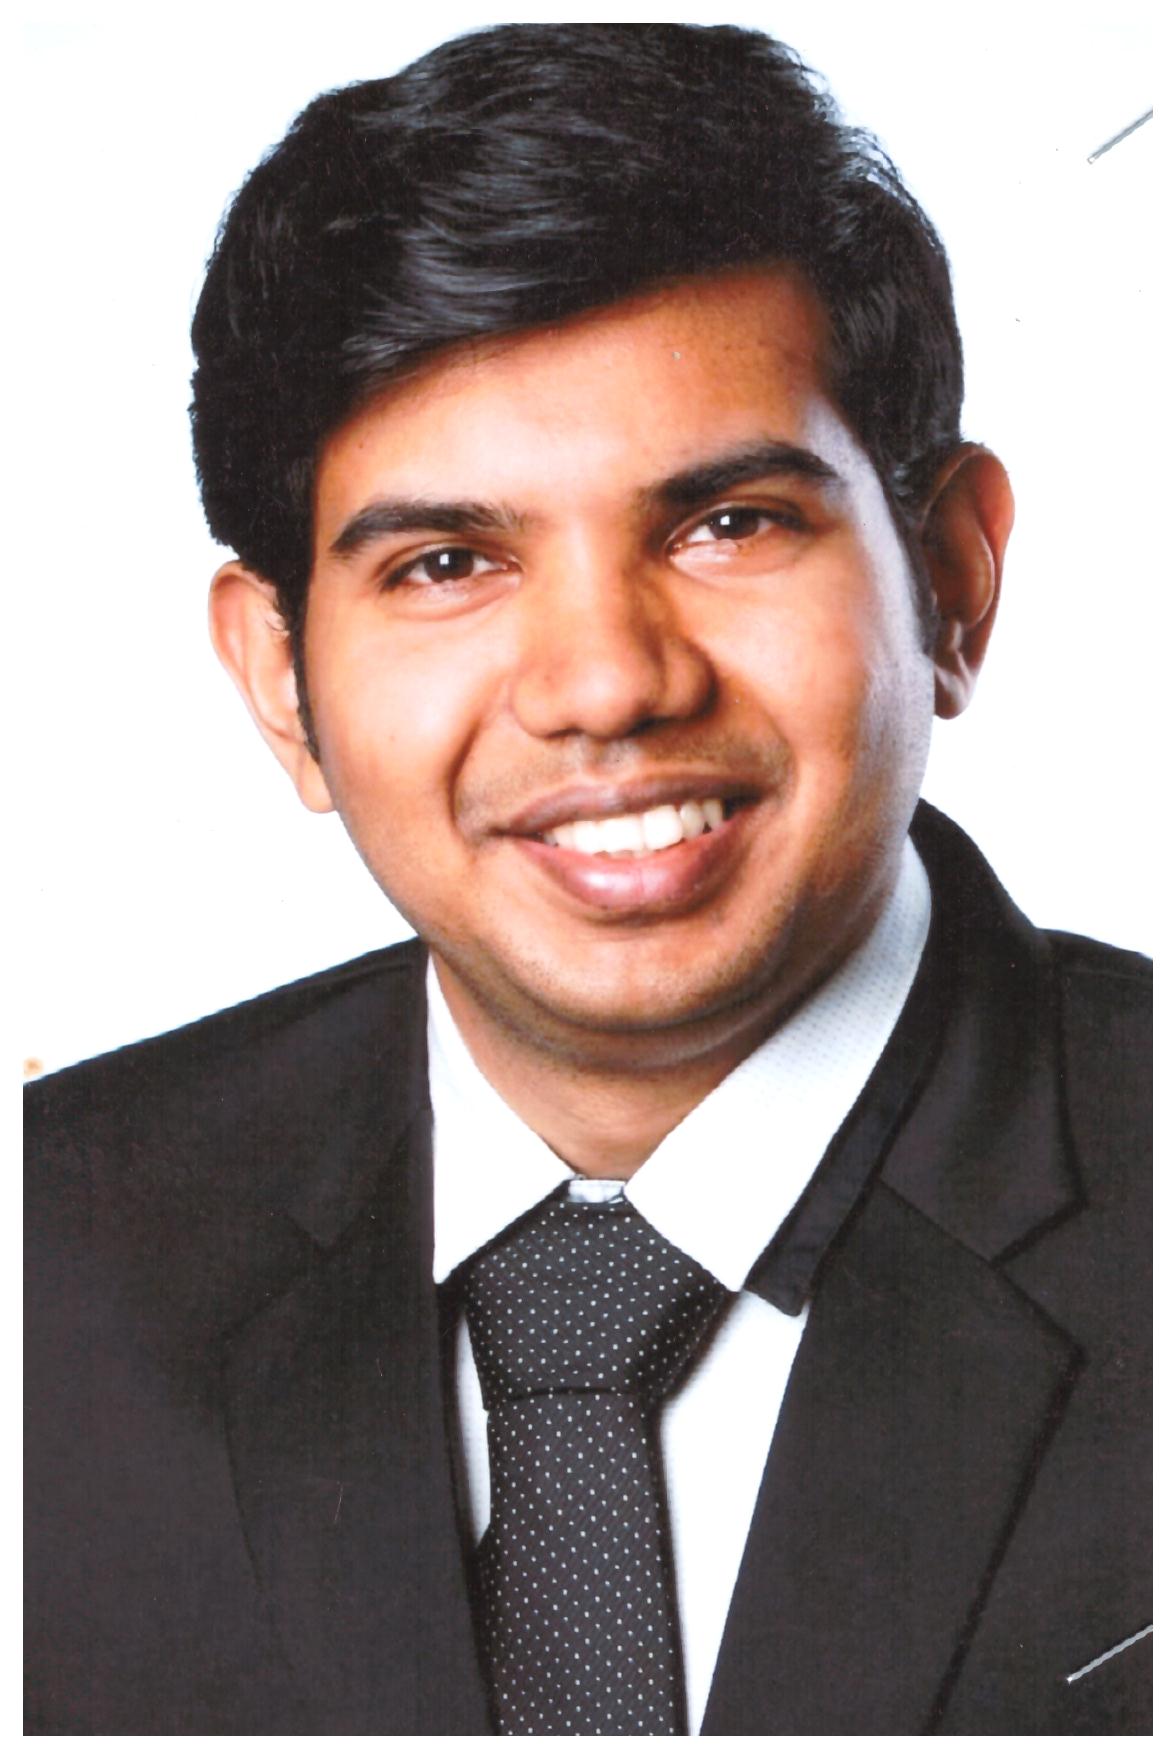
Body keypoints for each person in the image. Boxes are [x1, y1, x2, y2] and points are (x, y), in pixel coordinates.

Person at [24, 22, 1150, 1737]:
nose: (606, 684)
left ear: (951, 579)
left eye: (728, 524)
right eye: (445, 562)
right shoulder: (47, 1260)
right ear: (279, 681)